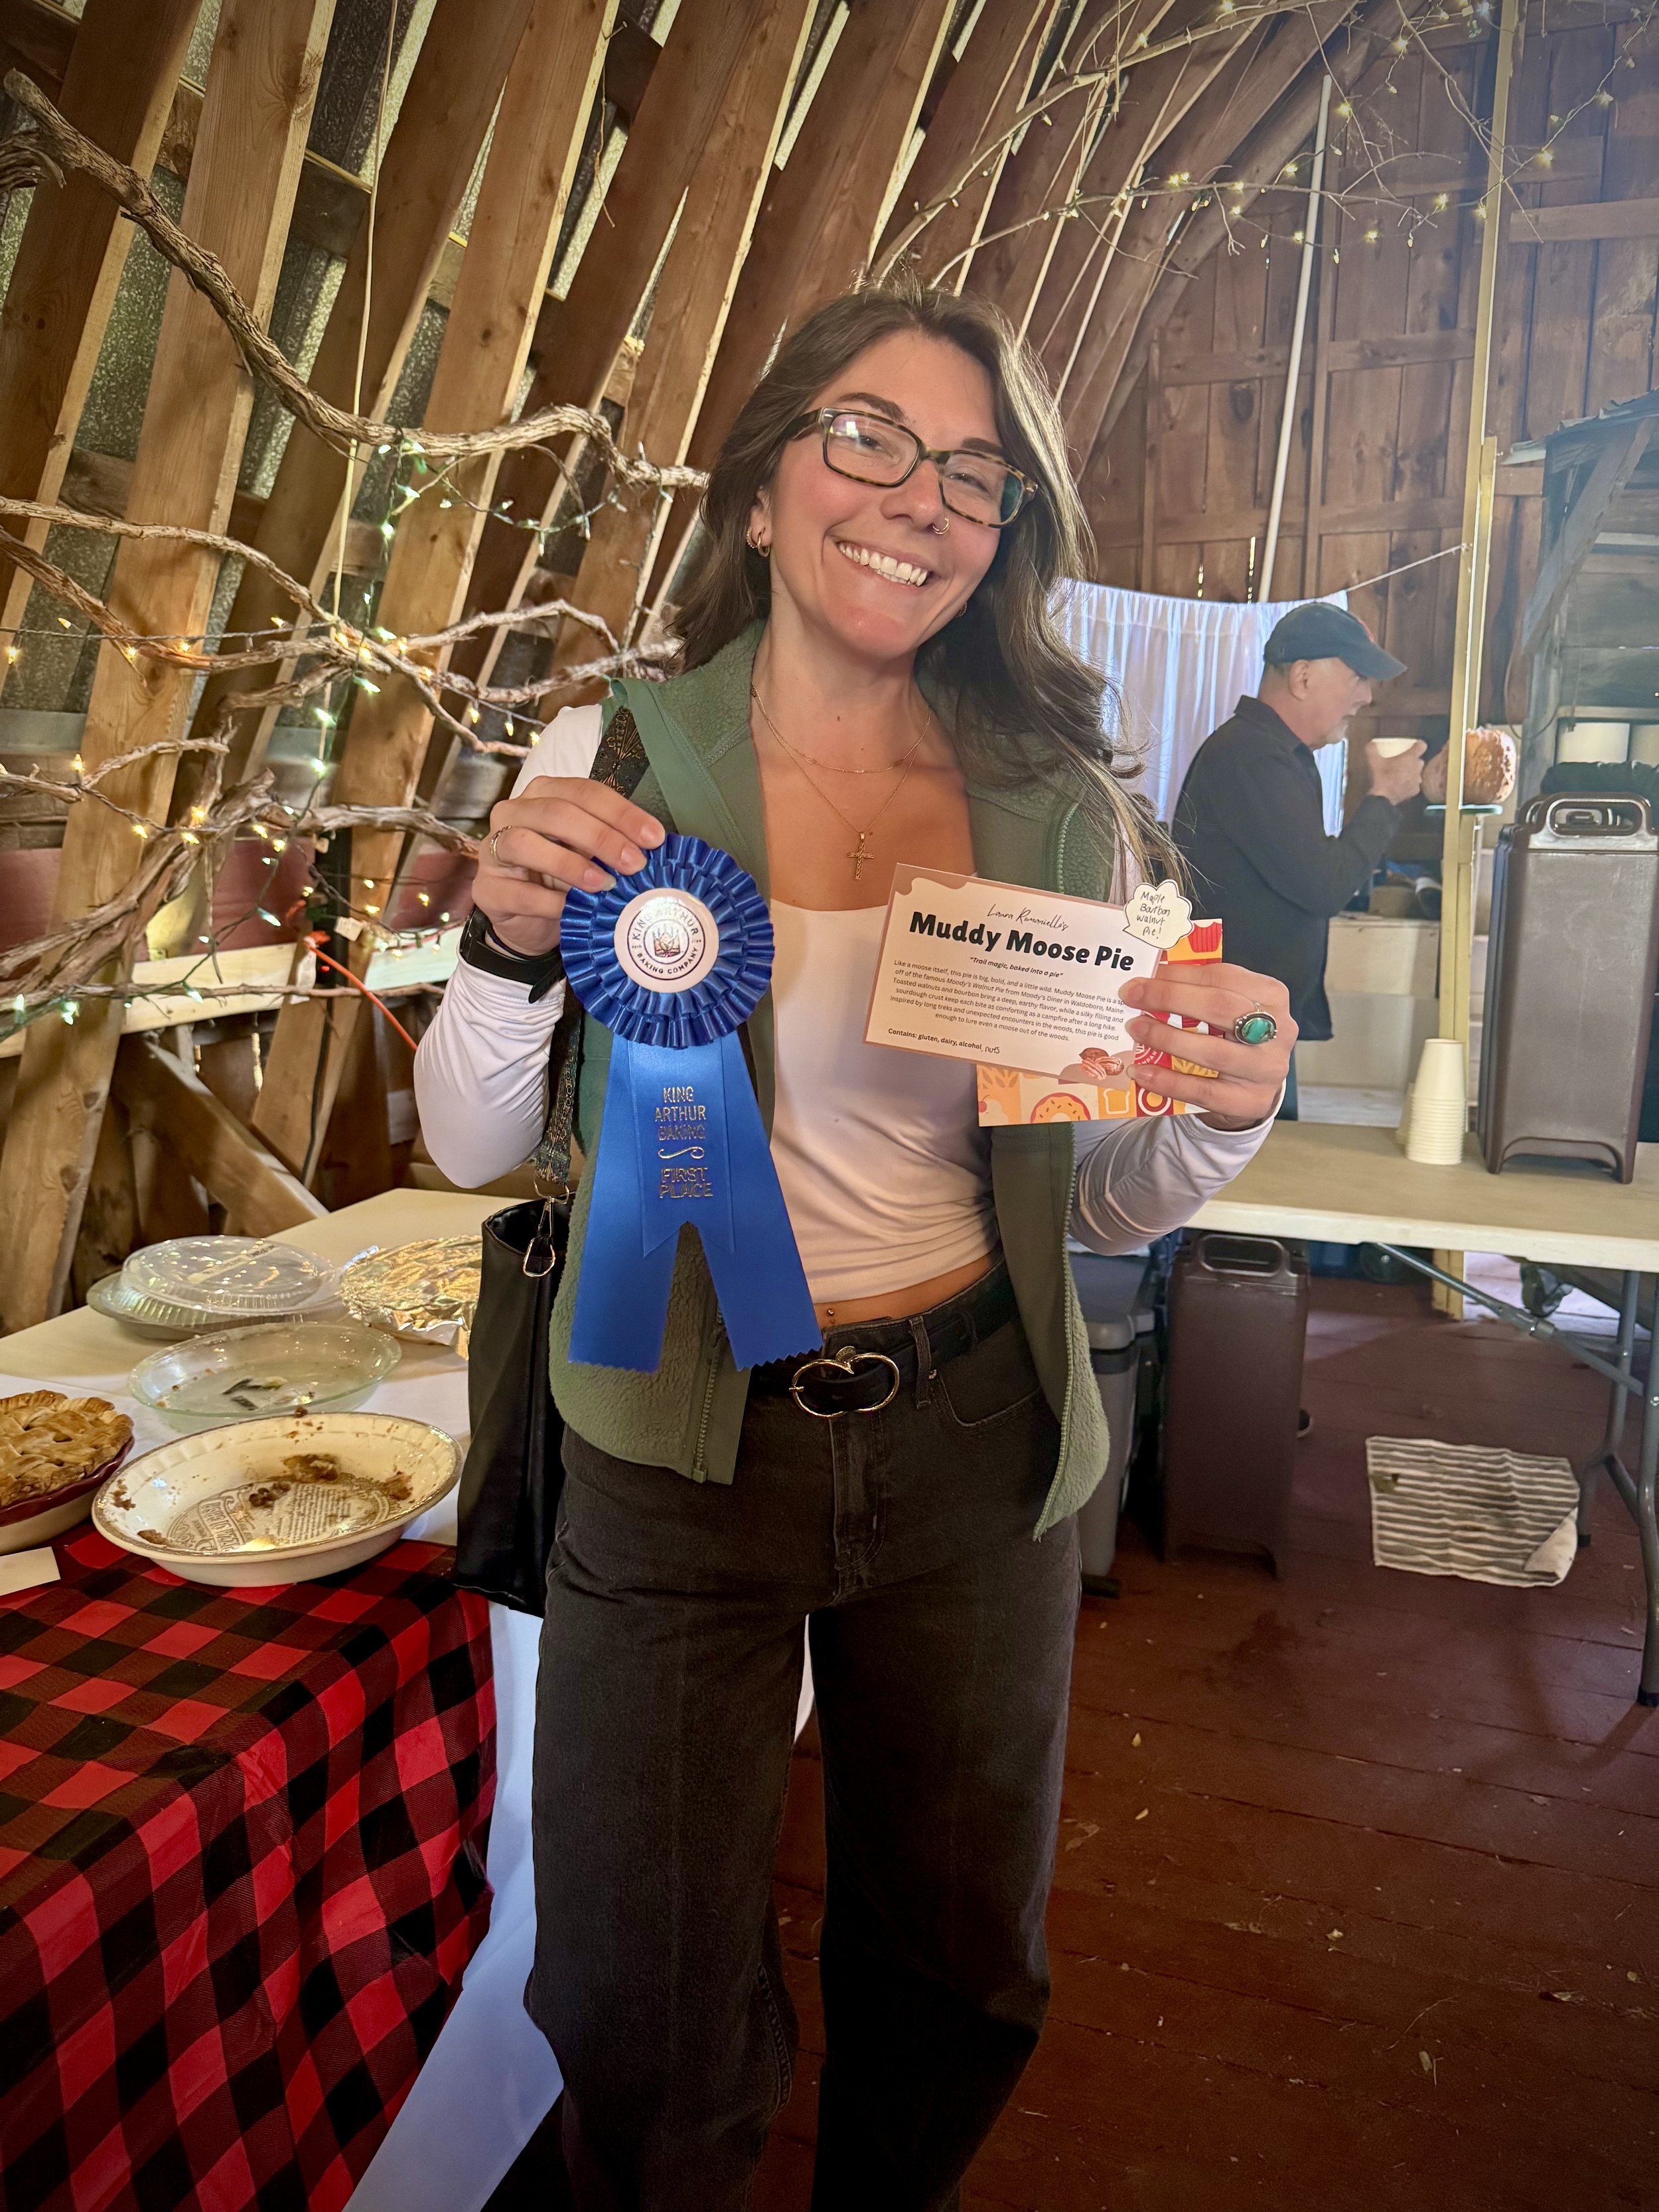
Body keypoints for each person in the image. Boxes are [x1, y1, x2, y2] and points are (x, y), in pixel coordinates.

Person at [415, 277, 1295, 2209]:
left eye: (972, 471)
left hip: (970, 1440)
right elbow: (478, 1138)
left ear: (1005, 537)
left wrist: (1217, 1114)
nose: (916, 494)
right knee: (633, 1998)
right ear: (756, 490)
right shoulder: (615, 753)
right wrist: (491, 942)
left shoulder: (1060, 813)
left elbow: (1107, 1204)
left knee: (959, 1963)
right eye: (867, 437)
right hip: (667, 1437)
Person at [1171, 603, 1422, 1118]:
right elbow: (1323, 883)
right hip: (1234, 1025)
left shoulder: (1271, 753)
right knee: (1249, 1180)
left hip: (1251, 1019)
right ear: (1303, 676)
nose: (1366, 696)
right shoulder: (1253, 756)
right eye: (1357, 677)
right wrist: (1384, 798)